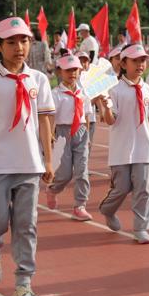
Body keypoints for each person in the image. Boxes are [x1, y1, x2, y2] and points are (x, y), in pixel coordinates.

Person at [0, 17, 55, 296]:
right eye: (11, 42)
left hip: (29, 164)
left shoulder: (39, 79)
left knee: (26, 225)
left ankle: (23, 284)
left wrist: (48, 160)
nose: (19, 48)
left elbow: (44, 120)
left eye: (24, 41)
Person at [97, 44, 149, 242]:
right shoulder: (113, 89)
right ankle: (107, 210)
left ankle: (141, 227)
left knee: (143, 188)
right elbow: (110, 120)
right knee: (121, 188)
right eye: (135, 60)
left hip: (143, 148)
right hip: (121, 149)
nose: (140, 64)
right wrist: (104, 105)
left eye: (143, 60)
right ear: (123, 63)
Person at [45, 54, 93, 221]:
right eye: (68, 70)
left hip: (80, 132)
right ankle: (53, 190)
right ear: (60, 72)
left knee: (82, 171)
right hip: (62, 134)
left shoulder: (83, 92)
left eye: (75, 70)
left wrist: (86, 134)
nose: (72, 73)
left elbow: (86, 114)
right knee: (64, 173)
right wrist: (50, 134)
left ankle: (80, 205)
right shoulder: (56, 94)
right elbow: (51, 116)